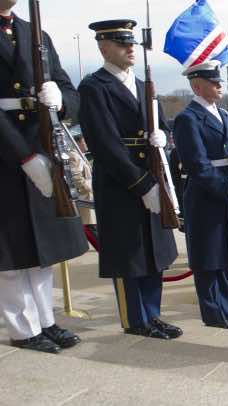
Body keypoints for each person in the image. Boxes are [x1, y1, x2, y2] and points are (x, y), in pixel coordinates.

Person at [78, 20, 182, 340]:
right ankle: (135, 319)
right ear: (104, 47)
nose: (130, 49)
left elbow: (163, 128)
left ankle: (153, 314)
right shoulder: (94, 86)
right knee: (129, 254)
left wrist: (163, 137)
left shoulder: (143, 85)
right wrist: (140, 184)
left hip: (151, 175)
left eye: (132, 43)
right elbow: (105, 143)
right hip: (121, 183)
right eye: (123, 44)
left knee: (153, 252)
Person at [0, 0, 88, 354]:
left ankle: (44, 321)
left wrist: (60, 100)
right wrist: (22, 155)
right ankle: (23, 329)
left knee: (40, 249)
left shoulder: (35, 33)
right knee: (10, 253)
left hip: (41, 145)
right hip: (7, 152)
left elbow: (69, 89)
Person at [172, 60, 228, 331]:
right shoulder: (188, 118)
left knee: (225, 256)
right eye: (213, 81)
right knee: (208, 259)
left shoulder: (225, 116)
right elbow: (197, 165)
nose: (219, 85)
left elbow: (227, 151)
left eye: (218, 81)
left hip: (227, 190)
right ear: (197, 85)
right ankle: (215, 314)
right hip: (207, 195)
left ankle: (226, 310)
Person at [68, 131, 97, 239]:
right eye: (84, 141)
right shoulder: (74, 156)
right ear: (78, 143)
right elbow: (75, 176)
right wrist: (86, 189)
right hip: (84, 198)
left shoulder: (81, 155)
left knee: (93, 226)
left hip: (89, 196)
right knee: (90, 228)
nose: (86, 144)